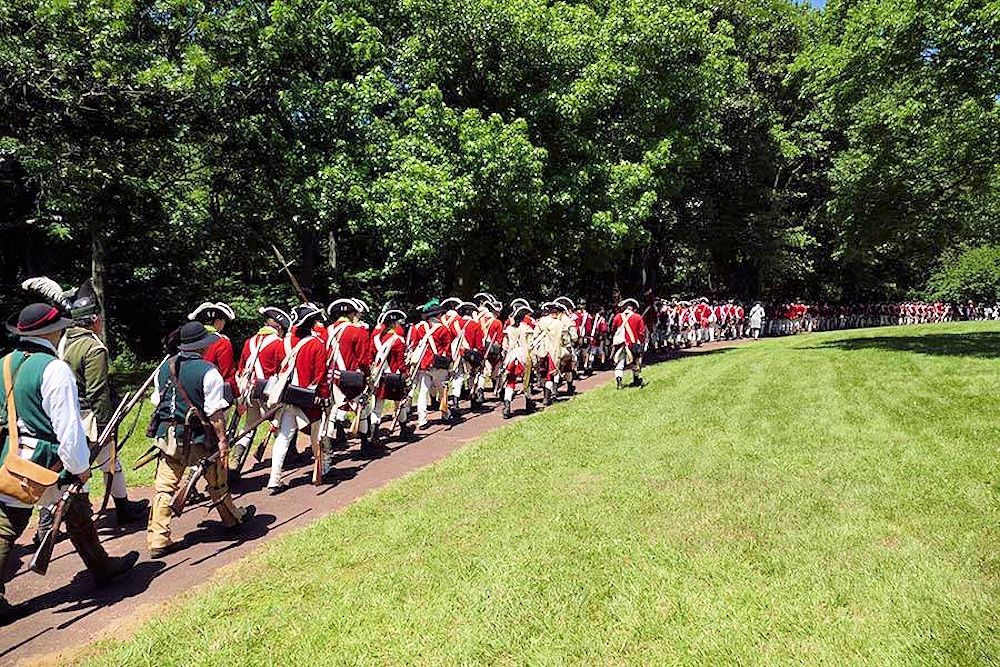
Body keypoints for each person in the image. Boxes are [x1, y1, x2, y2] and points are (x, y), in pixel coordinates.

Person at [1, 304, 138, 625]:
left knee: (75, 512)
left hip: (10, 454)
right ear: (50, 332)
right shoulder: (54, 368)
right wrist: (79, 464)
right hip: (45, 461)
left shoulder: (4, 363)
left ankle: (101, 566)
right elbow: (68, 425)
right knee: (8, 526)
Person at [21, 277, 147, 529]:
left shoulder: (62, 341)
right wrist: (105, 425)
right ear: (94, 320)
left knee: (61, 467)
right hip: (88, 417)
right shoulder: (93, 348)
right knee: (103, 463)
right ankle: (117, 511)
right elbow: (98, 391)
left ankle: (47, 522)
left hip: (59, 414)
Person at [146, 322, 255, 557]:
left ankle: (158, 537)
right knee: (217, 480)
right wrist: (223, 440)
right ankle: (231, 519)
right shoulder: (208, 371)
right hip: (198, 439)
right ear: (202, 347)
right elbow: (215, 413)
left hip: (168, 438)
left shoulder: (164, 367)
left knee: (164, 488)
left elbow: (158, 402)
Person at [266, 304, 330, 492]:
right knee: (316, 436)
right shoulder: (317, 344)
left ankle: (274, 478)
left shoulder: (285, 342)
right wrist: (324, 397)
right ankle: (323, 468)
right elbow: (321, 376)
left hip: (289, 397)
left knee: (283, 437)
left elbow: (279, 368)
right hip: (308, 398)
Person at [228, 306, 290, 473]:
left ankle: (236, 458)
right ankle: (279, 467)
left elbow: (241, 368)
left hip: (249, 391)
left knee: (248, 427)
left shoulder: (250, 342)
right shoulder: (279, 344)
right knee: (280, 426)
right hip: (267, 392)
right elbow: (282, 371)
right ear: (278, 327)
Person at [407, 301, 454, 429]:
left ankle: (422, 420)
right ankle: (446, 414)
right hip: (438, 364)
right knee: (442, 391)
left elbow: (415, 344)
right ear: (438, 315)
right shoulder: (444, 329)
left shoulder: (421, 328)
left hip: (424, 364)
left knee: (423, 392)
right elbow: (447, 349)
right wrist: (450, 365)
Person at [368, 309, 411, 446]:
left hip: (380, 376)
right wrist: (406, 376)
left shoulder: (376, 339)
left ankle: (374, 433)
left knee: (377, 406)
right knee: (400, 403)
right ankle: (403, 430)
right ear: (394, 324)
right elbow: (401, 364)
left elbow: (371, 357)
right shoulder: (398, 340)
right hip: (394, 376)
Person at [188, 302, 238, 398]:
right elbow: (226, 372)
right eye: (223, 321)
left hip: (191, 389)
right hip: (213, 391)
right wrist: (236, 395)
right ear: (218, 322)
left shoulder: (192, 339)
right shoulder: (222, 342)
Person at [501, 305, 536, 418]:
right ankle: (528, 403)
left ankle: (507, 405)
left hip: (511, 356)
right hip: (523, 356)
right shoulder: (526, 328)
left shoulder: (509, 329)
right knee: (527, 381)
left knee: (510, 382)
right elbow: (531, 345)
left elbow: (505, 346)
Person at [611, 298, 647, 389]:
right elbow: (641, 333)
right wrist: (641, 343)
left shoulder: (617, 317)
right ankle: (636, 380)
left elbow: (613, 330)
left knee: (619, 364)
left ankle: (619, 382)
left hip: (620, 345)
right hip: (632, 344)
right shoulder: (638, 317)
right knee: (635, 364)